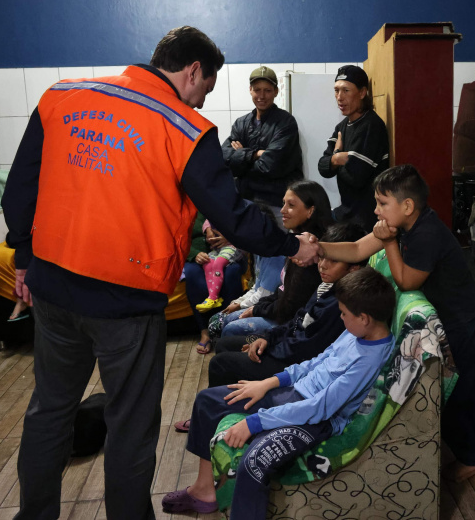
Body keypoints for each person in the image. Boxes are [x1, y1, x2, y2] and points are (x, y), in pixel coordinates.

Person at [1, 26, 320, 520]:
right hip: (125, 303)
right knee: (129, 424)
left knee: (49, 412)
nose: (200, 101)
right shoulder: (184, 128)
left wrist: (23, 257)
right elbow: (233, 216)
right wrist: (291, 244)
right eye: (206, 89)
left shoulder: (61, 96)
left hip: (53, 287)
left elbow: (20, 188)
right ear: (193, 70)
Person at [161, 267, 396, 517]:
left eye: (344, 314)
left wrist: (254, 423)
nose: (340, 318)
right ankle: (204, 491)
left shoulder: (369, 358)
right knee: (207, 400)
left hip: (315, 420)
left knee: (255, 461)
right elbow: (316, 362)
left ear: (364, 318)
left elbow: (320, 408)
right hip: (295, 394)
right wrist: (268, 383)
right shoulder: (356, 333)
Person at [317, 164, 475, 483]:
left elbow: (408, 281)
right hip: (455, 319)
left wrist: (387, 242)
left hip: (465, 321)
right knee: (462, 390)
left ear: (407, 206)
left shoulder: (427, 232)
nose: (376, 210)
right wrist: (317, 248)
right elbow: (357, 248)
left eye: (382, 203)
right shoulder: (398, 224)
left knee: (463, 391)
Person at [173, 222, 367, 433]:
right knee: (226, 344)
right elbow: (297, 319)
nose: (322, 265)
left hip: (292, 361)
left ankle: (210, 420)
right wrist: (267, 337)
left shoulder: (339, 303)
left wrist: (270, 347)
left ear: (353, 267)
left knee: (221, 363)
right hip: (285, 344)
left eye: (333, 260)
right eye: (322, 257)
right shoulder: (327, 285)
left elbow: (307, 347)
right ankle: (226, 412)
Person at [209, 180, 332, 346]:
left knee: (230, 329)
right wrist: (255, 306)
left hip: (291, 322)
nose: (282, 211)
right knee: (222, 321)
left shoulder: (309, 250)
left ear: (310, 211)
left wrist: (256, 308)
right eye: (283, 204)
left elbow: (292, 305)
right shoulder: (294, 242)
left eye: (291, 205)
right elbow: (280, 290)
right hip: (278, 308)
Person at [222, 66, 302, 219]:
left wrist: (240, 157)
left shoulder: (285, 123)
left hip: (277, 204)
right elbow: (224, 157)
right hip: (245, 201)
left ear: (276, 92)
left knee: (274, 242)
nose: (262, 95)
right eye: (257, 90)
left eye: (267, 90)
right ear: (250, 90)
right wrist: (255, 154)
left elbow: (270, 166)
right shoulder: (241, 123)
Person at [318, 65, 389, 231]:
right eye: (336, 90)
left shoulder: (372, 125)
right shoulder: (342, 126)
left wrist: (334, 159)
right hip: (347, 214)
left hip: (368, 219)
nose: (339, 97)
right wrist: (337, 158)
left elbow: (356, 177)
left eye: (346, 90)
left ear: (362, 93)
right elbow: (323, 167)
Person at [183, 214, 247, 354]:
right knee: (193, 275)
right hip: (198, 254)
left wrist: (229, 237)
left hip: (229, 249)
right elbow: (177, 237)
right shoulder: (185, 207)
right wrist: (194, 254)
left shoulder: (223, 200)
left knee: (231, 273)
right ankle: (205, 332)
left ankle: (226, 329)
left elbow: (244, 224)